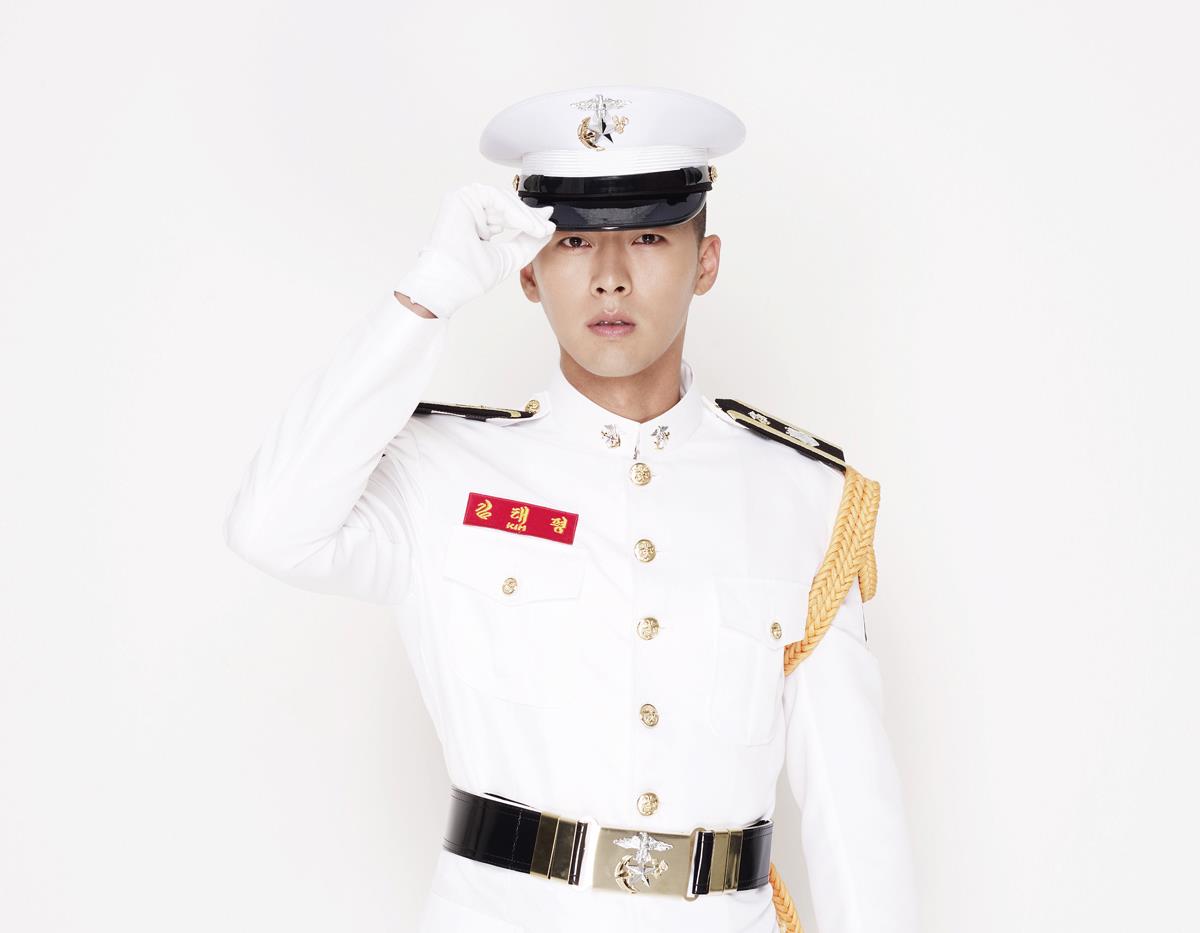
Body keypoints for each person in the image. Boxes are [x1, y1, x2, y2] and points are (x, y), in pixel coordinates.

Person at [223, 84, 918, 933]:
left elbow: (854, 818)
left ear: (706, 262)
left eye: (650, 237)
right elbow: (271, 527)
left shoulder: (803, 496)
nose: (610, 276)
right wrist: (427, 294)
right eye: (574, 240)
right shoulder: (442, 473)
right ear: (528, 269)